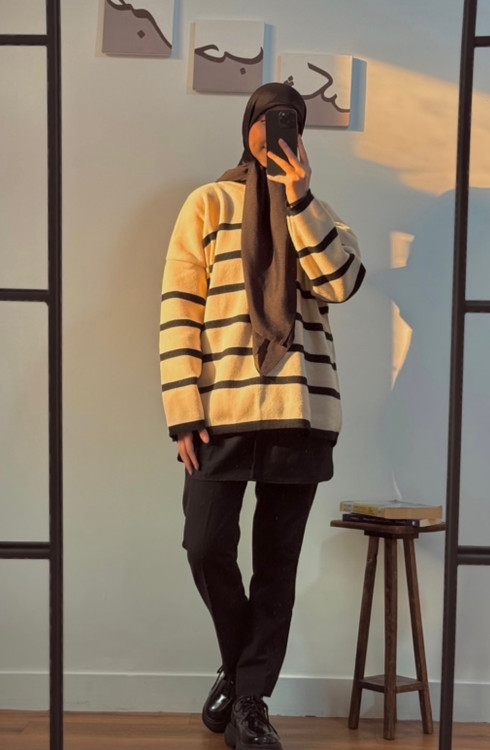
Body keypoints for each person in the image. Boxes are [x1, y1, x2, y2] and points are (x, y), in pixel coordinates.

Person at [159, 82, 365, 750]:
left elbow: (339, 284)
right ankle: (242, 666)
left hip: (299, 411)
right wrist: (182, 409)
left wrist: (298, 197)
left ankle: (250, 701)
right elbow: (179, 307)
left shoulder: (323, 215)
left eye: (291, 120)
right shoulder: (207, 203)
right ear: (248, 125)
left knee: (277, 566)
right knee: (205, 545)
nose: (278, 128)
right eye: (269, 117)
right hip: (220, 409)